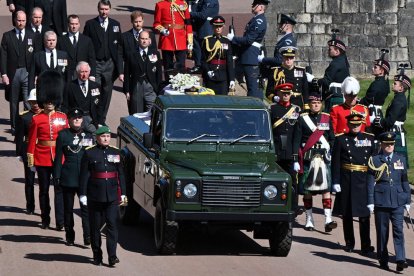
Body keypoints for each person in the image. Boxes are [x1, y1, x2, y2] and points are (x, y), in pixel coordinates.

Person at [79, 125, 126, 266]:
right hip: (95, 196)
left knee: (112, 225)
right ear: (97, 138)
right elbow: (84, 175)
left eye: (107, 136)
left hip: (111, 196)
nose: (106, 139)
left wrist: (123, 194)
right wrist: (83, 194)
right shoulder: (89, 153)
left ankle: (112, 256)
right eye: (103, 136)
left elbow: (121, 175)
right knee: (95, 227)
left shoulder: (116, 152)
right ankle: (97, 254)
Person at [27, 70, 67, 230]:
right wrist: (31, 160)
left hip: (59, 158)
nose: (49, 102)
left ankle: (60, 221)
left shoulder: (63, 118)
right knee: (43, 190)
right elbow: (31, 141)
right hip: (42, 157)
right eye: (47, 100)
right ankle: (45, 218)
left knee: (59, 191)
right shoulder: (36, 119)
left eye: (52, 100)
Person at [331, 113, 376, 254]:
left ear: (362, 124)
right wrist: (336, 181)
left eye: (358, 124)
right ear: (348, 125)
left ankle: (365, 245)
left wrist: (375, 180)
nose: (355, 127)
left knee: (364, 215)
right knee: (347, 214)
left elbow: (374, 162)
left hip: (363, 179)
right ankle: (349, 243)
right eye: (353, 124)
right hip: (347, 180)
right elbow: (336, 162)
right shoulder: (341, 140)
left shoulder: (369, 139)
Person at [292, 93, 337, 232]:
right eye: (313, 103)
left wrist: (331, 152)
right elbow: (296, 140)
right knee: (307, 191)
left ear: (321, 104)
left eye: (318, 103)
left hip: (324, 158)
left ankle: (328, 219)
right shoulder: (302, 119)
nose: (316, 105)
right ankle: (309, 219)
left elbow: (332, 138)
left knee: (326, 189)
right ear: (309, 104)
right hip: (308, 157)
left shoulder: (327, 118)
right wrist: (295, 159)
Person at [367, 132, 411, 272]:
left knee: (399, 230)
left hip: (398, 200)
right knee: (382, 231)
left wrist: (407, 199)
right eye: (387, 144)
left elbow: (404, 180)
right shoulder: (374, 160)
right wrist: (370, 201)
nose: (389, 146)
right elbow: (370, 183)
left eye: (391, 144)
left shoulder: (400, 159)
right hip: (381, 200)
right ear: (381, 144)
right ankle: (382, 257)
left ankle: (400, 259)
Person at [53, 108, 94, 246]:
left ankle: (87, 235)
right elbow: (58, 158)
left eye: (79, 118)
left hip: (84, 178)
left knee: (86, 208)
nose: (77, 120)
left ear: (82, 120)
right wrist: (57, 176)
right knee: (68, 209)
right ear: (69, 120)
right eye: (74, 118)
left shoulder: (88, 136)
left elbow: (93, 158)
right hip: (68, 177)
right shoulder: (63, 135)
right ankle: (69, 235)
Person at [83, 0, 122, 125]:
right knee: (95, 92)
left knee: (106, 93)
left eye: (106, 9)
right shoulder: (90, 24)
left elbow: (119, 47)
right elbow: (86, 44)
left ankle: (102, 120)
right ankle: (93, 119)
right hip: (96, 64)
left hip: (109, 64)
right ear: (98, 9)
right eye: (102, 9)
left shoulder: (115, 24)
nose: (104, 12)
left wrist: (119, 68)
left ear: (109, 9)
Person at [1, 10, 37, 135]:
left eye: (23, 20)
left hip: (27, 72)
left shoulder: (32, 35)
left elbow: (36, 56)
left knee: (28, 101)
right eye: (19, 20)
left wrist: (36, 74)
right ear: (15, 21)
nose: (21, 23)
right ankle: (15, 128)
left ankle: (28, 127)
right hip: (13, 73)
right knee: (14, 102)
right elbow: (3, 56)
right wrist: (4, 74)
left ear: (26, 21)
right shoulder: (7, 36)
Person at [270, 82, 301, 213]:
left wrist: (295, 157)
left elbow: (297, 134)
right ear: (278, 94)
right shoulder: (272, 109)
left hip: (289, 152)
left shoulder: (296, 110)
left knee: (293, 182)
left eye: (288, 93)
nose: (286, 96)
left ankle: (293, 207)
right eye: (283, 94)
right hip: (276, 151)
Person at [227, 0, 268, 99]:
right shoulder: (255, 19)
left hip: (251, 56)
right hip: (247, 55)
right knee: (250, 86)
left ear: (261, 7)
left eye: (255, 5)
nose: (252, 6)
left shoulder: (259, 21)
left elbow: (249, 40)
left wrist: (233, 38)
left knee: (253, 87)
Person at [306, 30, 350, 112]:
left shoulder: (336, 63)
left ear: (337, 51)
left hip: (334, 98)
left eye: (330, 49)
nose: (328, 51)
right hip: (338, 97)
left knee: (328, 122)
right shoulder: (342, 62)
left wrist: (312, 79)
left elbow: (327, 81)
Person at [374, 66, 410, 165]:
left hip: (394, 131)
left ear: (401, 88)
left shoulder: (398, 100)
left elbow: (390, 120)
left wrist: (380, 121)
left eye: (395, 84)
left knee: (395, 163)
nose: (392, 85)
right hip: (397, 130)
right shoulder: (399, 98)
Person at [15, 88, 42, 215]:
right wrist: (19, 153)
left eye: (37, 101)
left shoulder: (46, 115)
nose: (35, 104)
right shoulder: (24, 116)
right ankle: (30, 206)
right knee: (30, 180)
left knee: (43, 182)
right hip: (29, 150)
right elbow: (19, 136)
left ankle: (44, 208)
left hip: (42, 150)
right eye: (33, 102)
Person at [123, 31, 161, 114]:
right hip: (136, 87)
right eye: (142, 39)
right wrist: (127, 91)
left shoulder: (155, 54)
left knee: (152, 114)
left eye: (146, 39)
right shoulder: (131, 54)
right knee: (137, 113)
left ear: (149, 40)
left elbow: (159, 74)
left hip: (151, 88)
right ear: (138, 40)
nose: (144, 41)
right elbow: (126, 73)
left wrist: (158, 89)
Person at [153, 0, 193, 79]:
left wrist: (190, 41)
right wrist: (162, 30)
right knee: (168, 65)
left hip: (181, 38)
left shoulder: (183, 4)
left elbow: (188, 23)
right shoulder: (160, 4)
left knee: (181, 65)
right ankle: (168, 83)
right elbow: (156, 23)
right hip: (167, 39)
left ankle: (181, 83)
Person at [63, 62, 103, 134]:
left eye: (86, 72)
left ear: (89, 72)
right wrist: (68, 121)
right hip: (76, 120)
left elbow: (100, 106)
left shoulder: (95, 86)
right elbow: (65, 105)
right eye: (82, 72)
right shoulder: (69, 86)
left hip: (92, 120)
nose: (84, 75)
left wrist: (100, 122)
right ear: (77, 72)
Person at [118, 10, 157, 82]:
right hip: (131, 73)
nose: (138, 24)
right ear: (132, 21)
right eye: (136, 22)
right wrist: (121, 72)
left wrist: (155, 70)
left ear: (143, 21)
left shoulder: (150, 35)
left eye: (140, 21)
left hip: (148, 73)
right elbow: (119, 55)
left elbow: (154, 53)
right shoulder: (124, 36)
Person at [201, 16, 235, 95]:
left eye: (220, 26)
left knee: (223, 100)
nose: (218, 28)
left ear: (223, 27)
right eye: (216, 26)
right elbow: (203, 60)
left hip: (223, 76)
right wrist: (207, 71)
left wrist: (232, 79)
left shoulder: (227, 41)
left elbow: (229, 62)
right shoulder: (207, 41)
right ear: (213, 27)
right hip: (210, 75)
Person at [360, 50, 390, 137]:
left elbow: (368, 99)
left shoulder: (376, 84)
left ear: (382, 71)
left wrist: (358, 102)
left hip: (371, 113)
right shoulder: (385, 84)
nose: (373, 68)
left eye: (375, 67)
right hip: (378, 113)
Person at [57, 14, 97, 80]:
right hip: (66, 76)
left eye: (76, 24)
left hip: (82, 75)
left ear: (79, 24)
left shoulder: (87, 40)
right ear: (68, 24)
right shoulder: (61, 40)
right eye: (72, 24)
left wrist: (92, 74)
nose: (74, 26)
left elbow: (92, 59)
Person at [188, 0, 219, 74]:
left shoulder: (210, 1)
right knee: (197, 48)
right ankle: (198, 65)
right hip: (198, 28)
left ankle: (208, 67)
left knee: (206, 49)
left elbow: (203, 15)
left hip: (206, 28)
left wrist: (188, 13)